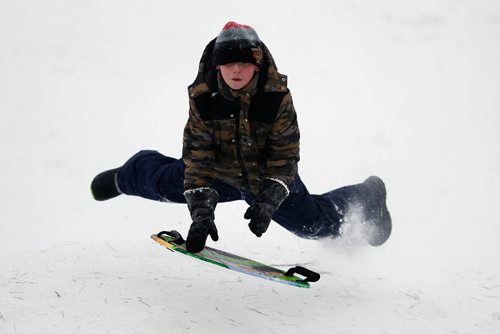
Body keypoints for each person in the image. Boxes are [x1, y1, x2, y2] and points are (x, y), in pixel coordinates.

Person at [91, 21, 392, 253]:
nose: (236, 70)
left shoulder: (275, 97)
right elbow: (197, 156)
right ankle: (124, 176)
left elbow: (284, 156)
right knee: (159, 181)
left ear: (256, 64)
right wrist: (201, 213)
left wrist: (271, 198)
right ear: (217, 65)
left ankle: (369, 198)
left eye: (245, 63)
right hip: (216, 172)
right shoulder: (204, 96)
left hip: (266, 179)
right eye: (229, 63)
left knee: (312, 224)